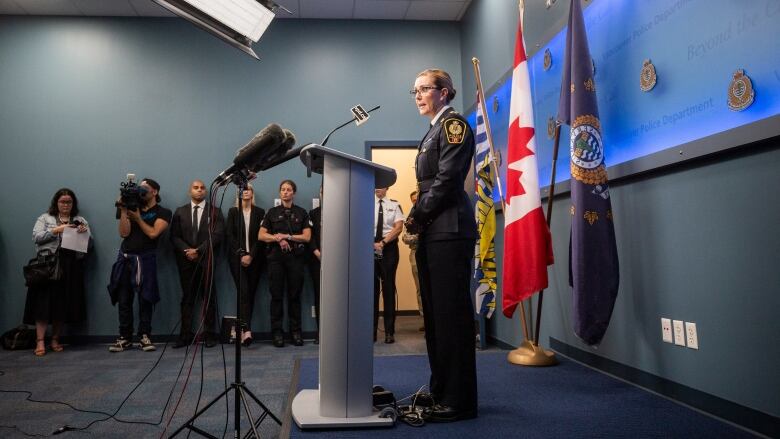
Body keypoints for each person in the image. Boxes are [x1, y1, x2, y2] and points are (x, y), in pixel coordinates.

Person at [406, 68, 478, 422]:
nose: (418, 96)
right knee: (435, 319)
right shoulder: (433, 130)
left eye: (425, 89)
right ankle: (441, 391)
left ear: (446, 92)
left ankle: (459, 401)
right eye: (414, 91)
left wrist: (417, 215)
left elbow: (448, 180)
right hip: (434, 231)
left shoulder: (454, 126)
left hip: (449, 231)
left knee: (452, 319)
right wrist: (420, 217)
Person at [108, 178, 171, 352]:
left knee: (146, 298)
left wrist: (138, 218)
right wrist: (123, 210)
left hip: (146, 258)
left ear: (154, 192)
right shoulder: (129, 207)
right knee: (124, 299)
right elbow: (123, 233)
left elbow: (153, 234)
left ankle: (144, 335)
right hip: (126, 257)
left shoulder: (163, 212)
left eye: (145, 188)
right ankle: (125, 337)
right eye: (139, 187)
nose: (141, 191)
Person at [24, 188, 89, 356]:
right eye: (62, 201)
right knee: (42, 304)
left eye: (69, 202)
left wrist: (84, 233)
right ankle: (40, 341)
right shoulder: (45, 218)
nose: (66, 205)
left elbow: (90, 245)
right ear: (56, 202)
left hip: (70, 266)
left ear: (73, 204)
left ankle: (55, 339)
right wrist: (56, 230)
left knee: (62, 304)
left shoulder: (79, 219)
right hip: (47, 266)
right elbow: (36, 237)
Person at [170, 180, 225, 348]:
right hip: (186, 262)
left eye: (202, 188)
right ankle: (185, 335)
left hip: (206, 260)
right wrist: (188, 250)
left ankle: (209, 335)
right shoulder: (180, 212)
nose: (199, 190)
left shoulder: (215, 211)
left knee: (208, 298)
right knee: (187, 299)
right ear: (190, 191)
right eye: (196, 187)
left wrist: (199, 251)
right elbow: (174, 237)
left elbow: (217, 235)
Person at [258, 180, 311, 347]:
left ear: (293, 193)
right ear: (280, 193)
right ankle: (277, 333)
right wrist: (277, 238)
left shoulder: (302, 213)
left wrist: (287, 237)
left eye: (289, 190)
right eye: (283, 190)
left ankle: (296, 332)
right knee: (276, 296)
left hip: (295, 259)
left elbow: (307, 237)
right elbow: (261, 235)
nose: (286, 192)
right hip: (276, 260)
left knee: (295, 296)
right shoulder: (271, 213)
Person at [226, 183, 265, 346]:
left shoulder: (260, 212)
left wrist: (251, 255)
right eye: (243, 190)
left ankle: (244, 329)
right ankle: (246, 330)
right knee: (243, 293)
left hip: (255, 259)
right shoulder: (233, 212)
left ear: (252, 193)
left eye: (248, 189)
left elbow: (260, 238)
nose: (246, 192)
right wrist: (242, 254)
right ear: (239, 194)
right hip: (236, 259)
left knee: (251, 293)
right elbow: (230, 236)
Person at [373, 187, 404, 344]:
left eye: (382, 185)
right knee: (370, 291)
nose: (378, 188)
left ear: (387, 188)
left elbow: (398, 227)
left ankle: (389, 332)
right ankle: (370, 332)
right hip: (369, 247)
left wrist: (383, 242)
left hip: (389, 248)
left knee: (389, 289)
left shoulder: (394, 204)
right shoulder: (366, 203)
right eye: (376, 185)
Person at [401, 190, 424, 332]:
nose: (416, 202)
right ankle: (425, 320)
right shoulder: (410, 218)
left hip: (430, 252)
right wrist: (419, 237)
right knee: (420, 289)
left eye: (417, 199)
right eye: (413, 201)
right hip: (415, 252)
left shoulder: (429, 212)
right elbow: (405, 237)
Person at [307, 185, 322, 344]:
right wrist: (317, 252)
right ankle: (321, 331)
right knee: (319, 296)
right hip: (317, 259)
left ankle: (336, 330)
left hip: (337, 262)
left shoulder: (341, 212)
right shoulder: (313, 213)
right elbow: (309, 237)